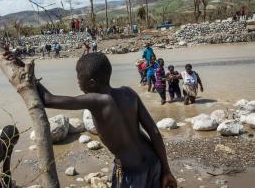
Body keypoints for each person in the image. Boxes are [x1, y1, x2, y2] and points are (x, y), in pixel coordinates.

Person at [34, 53, 176, 188]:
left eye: (78, 77)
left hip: (130, 171)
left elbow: (48, 100)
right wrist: (166, 170)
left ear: (91, 82)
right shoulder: (129, 93)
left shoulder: (97, 100)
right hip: (154, 161)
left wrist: (29, 76)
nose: (77, 81)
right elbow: (155, 132)